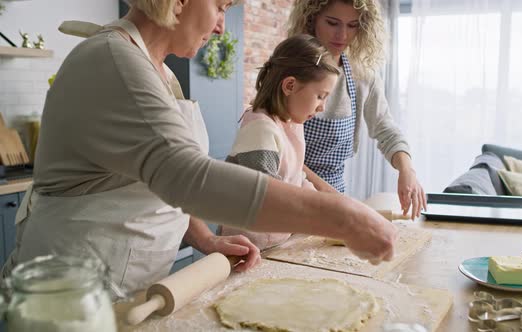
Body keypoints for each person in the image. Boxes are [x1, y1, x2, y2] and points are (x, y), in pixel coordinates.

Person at [0, 0, 397, 294]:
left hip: (127, 287)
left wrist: (203, 239)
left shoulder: (157, 71)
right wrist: (342, 216)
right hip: (73, 297)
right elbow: (187, 176)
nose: (222, 27)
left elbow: (156, 176)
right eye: (221, 7)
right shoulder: (114, 61)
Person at [287, 0, 427, 219]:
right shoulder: (288, 68)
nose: (342, 35)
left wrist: (407, 170)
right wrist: (328, 195)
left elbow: (385, 128)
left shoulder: (362, 76)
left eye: (352, 25)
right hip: (289, 195)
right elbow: (282, 150)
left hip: (335, 196)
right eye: (333, 23)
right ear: (312, 19)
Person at [219, 34, 340, 250]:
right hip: (246, 247)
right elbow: (268, 197)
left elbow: (295, 179)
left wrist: (329, 208)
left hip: (275, 241)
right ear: (290, 85)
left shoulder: (291, 123)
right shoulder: (260, 128)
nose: (322, 107)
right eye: (320, 96)